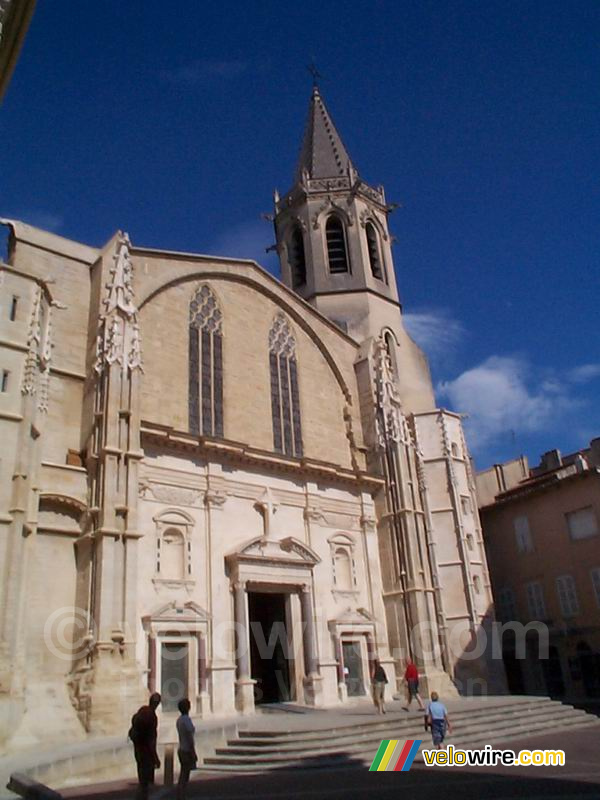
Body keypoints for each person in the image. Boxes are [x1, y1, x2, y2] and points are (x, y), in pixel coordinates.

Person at [130, 692, 161, 800]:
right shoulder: (152, 716)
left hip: (138, 750)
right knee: (145, 784)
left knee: (142, 781)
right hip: (146, 753)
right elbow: (151, 740)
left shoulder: (142, 710)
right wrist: (155, 758)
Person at [176, 698, 197, 800]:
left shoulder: (179, 720)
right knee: (185, 775)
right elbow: (189, 736)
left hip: (181, 748)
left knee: (183, 773)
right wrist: (193, 751)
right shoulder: (186, 720)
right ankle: (181, 795)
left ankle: (181, 794)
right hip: (186, 749)